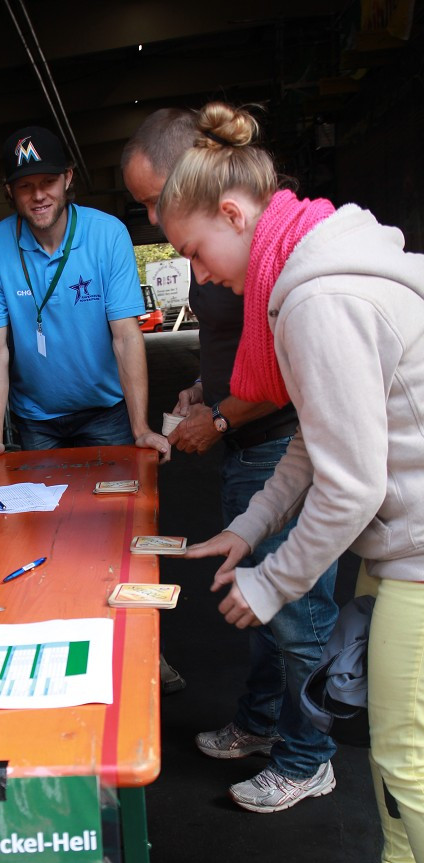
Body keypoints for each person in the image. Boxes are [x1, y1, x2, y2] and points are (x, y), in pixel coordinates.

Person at [157, 100, 424, 863]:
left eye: (194, 251)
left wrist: (272, 581)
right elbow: (319, 439)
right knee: (393, 746)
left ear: (235, 215)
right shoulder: (303, 268)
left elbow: (348, 485)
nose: (200, 275)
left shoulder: (312, 293)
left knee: (408, 754)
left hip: (420, 546)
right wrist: (249, 527)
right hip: (404, 544)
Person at [122, 110, 339, 812]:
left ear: (226, 207)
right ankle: (265, 722)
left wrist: (217, 418)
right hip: (269, 450)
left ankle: (309, 758)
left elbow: (347, 474)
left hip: (290, 455)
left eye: (159, 205)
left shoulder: (298, 288)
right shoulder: (258, 258)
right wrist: (205, 395)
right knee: (267, 602)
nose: (167, 236)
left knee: (298, 614)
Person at [0, 124, 169, 464]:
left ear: (67, 178)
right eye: (25, 186)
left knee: (114, 511)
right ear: (9, 190)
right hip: (35, 419)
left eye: (47, 181)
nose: (38, 195)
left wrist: (140, 428)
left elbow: (125, 336)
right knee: (43, 516)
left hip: (106, 411)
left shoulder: (108, 234)